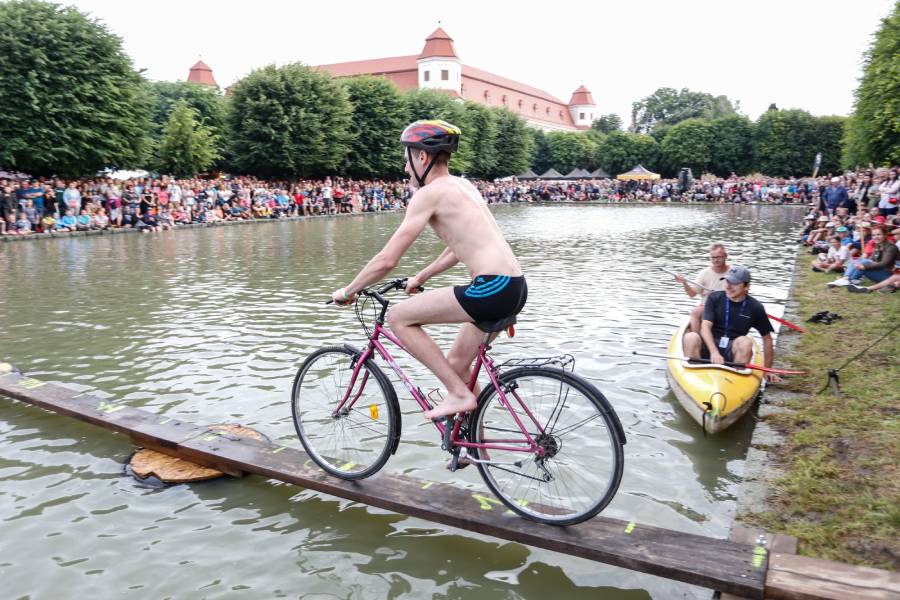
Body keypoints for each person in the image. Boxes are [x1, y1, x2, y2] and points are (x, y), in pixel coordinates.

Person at [331, 120, 527, 420]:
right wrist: (422, 276)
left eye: (406, 158)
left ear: (422, 157)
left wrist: (349, 290)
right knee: (458, 364)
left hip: (492, 287)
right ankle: (474, 449)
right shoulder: (464, 186)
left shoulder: (429, 194)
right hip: (514, 286)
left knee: (398, 317)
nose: (405, 167)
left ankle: (459, 394)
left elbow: (387, 260)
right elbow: (458, 247)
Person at [682, 266, 780, 383]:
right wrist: (714, 352)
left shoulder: (755, 307)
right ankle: (695, 377)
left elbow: (767, 339)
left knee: (746, 342)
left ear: (746, 286)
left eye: (734, 283)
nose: (728, 286)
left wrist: (767, 370)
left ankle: (733, 380)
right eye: (727, 281)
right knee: (690, 337)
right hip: (709, 345)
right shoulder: (715, 298)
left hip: (732, 350)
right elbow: (705, 327)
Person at [673, 243, 729, 333]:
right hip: (707, 307)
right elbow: (692, 294)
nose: (716, 260)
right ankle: (697, 339)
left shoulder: (733, 272)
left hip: (727, 306)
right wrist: (684, 283)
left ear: (725, 257)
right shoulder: (704, 273)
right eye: (713, 257)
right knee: (695, 312)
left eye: (719, 257)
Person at [833, 226, 898, 288]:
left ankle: (850, 280)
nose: (875, 237)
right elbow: (872, 259)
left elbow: (883, 264)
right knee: (858, 260)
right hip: (880, 271)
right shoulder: (878, 245)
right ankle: (846, 278)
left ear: (885, 235)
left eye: (878, 234)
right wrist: (861, 262)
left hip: (890, 276)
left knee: (865, 262)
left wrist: (865, 266)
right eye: (873, 235)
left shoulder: (891, 247)